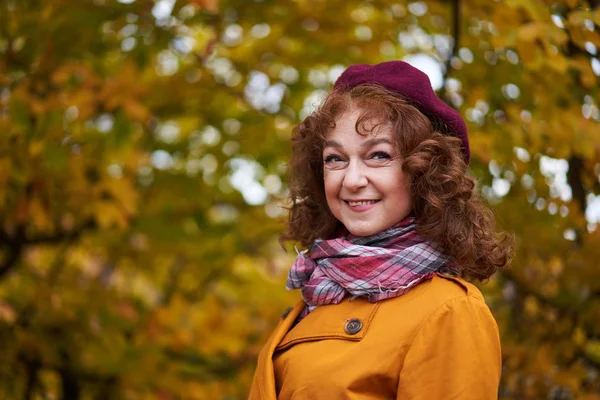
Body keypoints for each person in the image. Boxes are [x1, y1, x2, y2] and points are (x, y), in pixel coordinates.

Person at [248, 61, 513, 400]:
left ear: (423, 170)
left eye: (378, 155)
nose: (353, 180)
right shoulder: (317, 293)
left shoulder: (449, 310)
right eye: (335, 159)